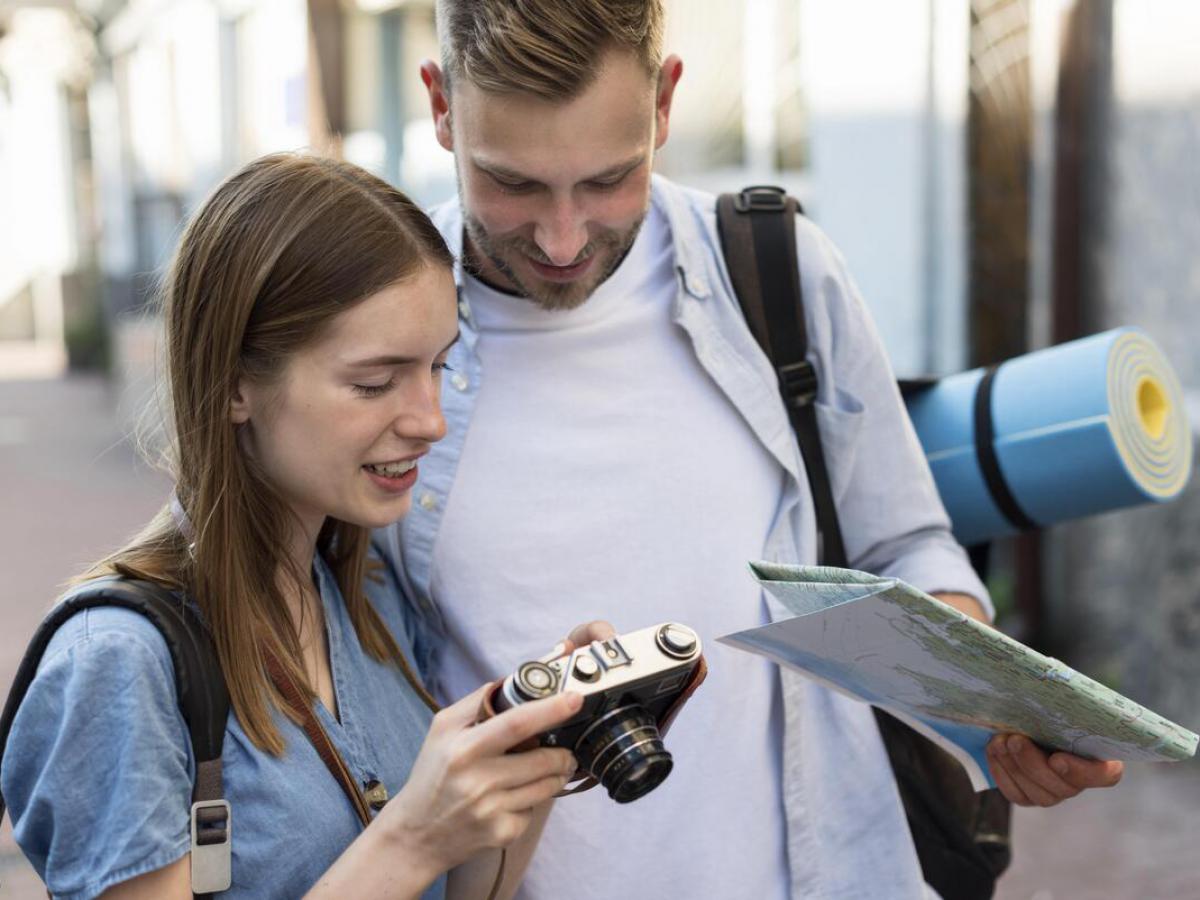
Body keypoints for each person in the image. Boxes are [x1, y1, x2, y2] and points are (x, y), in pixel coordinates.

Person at [373, 2, 1127, 897]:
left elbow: (904, 546)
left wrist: (991, 707)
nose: (563, 238)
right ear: (441, 106)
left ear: (664, 101)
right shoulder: (369, 330)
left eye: (610, 179)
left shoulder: (776, 270)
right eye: (516, 185)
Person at [1, 152, 603, 900]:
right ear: (233, 388)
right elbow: (409, 854)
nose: (430, 421)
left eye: (439, 367)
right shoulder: (120, 666)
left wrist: (536, 749)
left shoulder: (369, 595)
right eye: (374, 382)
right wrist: (412, 836)